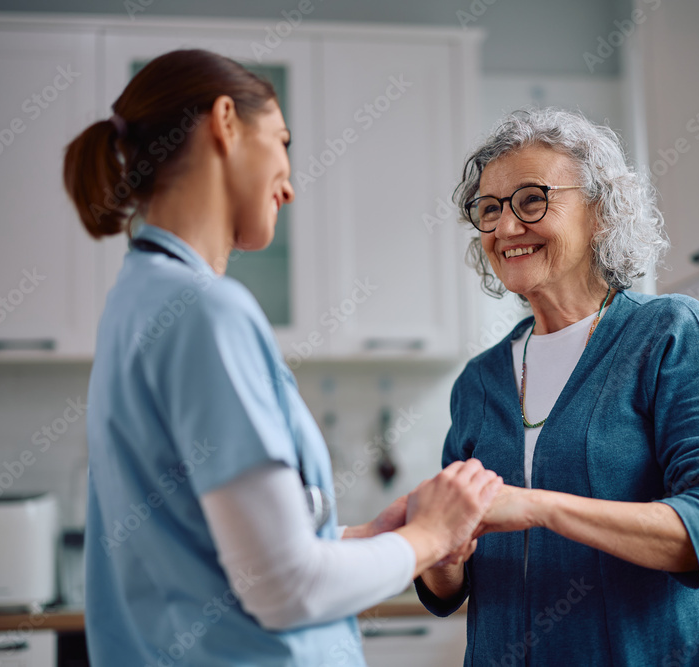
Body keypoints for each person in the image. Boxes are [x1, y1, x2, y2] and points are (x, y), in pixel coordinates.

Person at [61, 49, 501, 666]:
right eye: (283, 140)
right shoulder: (205, 312)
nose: (290, 185)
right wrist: (430, 538)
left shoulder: (135, 299)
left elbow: (224, 560)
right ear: (225, 122)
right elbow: (284, 588)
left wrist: (373, 540)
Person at [415, 108, 699, 666]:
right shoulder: (477, 381)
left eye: (531, 200)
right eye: (490, 209)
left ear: (601, 214)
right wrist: (443, 555)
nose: (504, 229)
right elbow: (449, 589)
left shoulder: (668, 332)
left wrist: (539, 507)